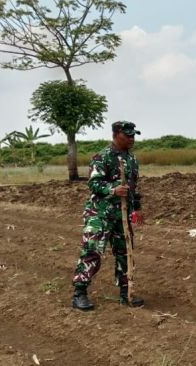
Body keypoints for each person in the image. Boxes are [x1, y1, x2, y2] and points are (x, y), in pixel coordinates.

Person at [72, 121, 145, 310]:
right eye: (127, 135)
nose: (131, 139)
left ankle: (125, 292)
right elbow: (94, 184)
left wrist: (136, 207)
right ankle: (79, 293)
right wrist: (113, 189)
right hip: (100, 213)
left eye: (133, 136)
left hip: (122, 215)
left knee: (125, 253)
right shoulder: (101, 157)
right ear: (116, 134)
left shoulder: (132, 159)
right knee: (92, 250)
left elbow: (133, 187)